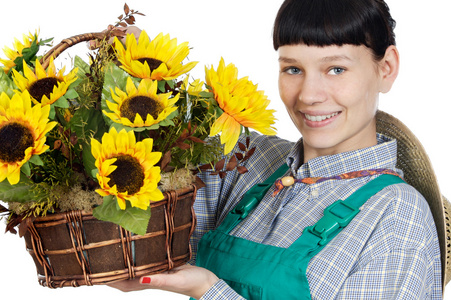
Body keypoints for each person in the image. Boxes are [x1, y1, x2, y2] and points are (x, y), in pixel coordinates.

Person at [110, 0, 449, 298]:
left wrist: (208, 291)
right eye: (293, 69)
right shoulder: (252, 160)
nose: (308, 95)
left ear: (386, 68)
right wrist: (138, 72)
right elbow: (152, 192)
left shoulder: (396, 216)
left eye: (336, 69)